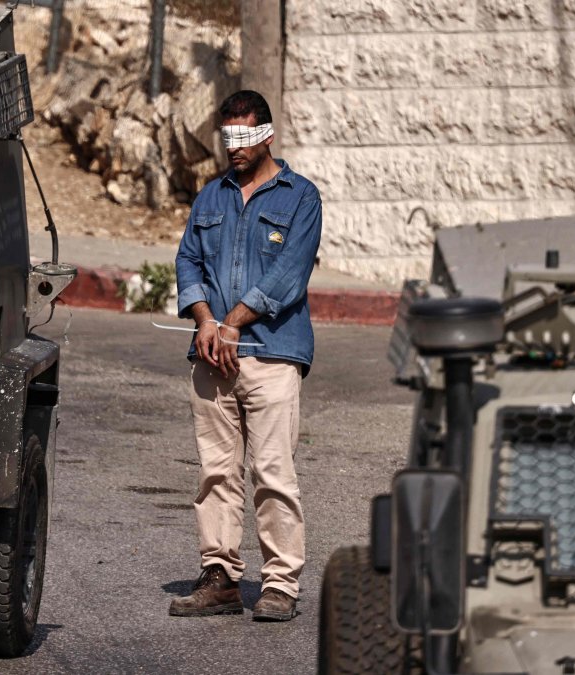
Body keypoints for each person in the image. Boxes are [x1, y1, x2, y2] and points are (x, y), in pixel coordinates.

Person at [169, 90, 322, 622]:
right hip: (211, 356)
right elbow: (188, 261)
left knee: (273, 470)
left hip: (272, 353)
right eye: (227, 136)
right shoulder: (210, 197)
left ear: (267, 134)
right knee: (215, 472)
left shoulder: (300, 197)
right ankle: (221, 576)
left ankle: (280, 583)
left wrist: (233, 323)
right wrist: (206, 321)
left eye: (244, 136)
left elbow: (290, 274)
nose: (234, 147)